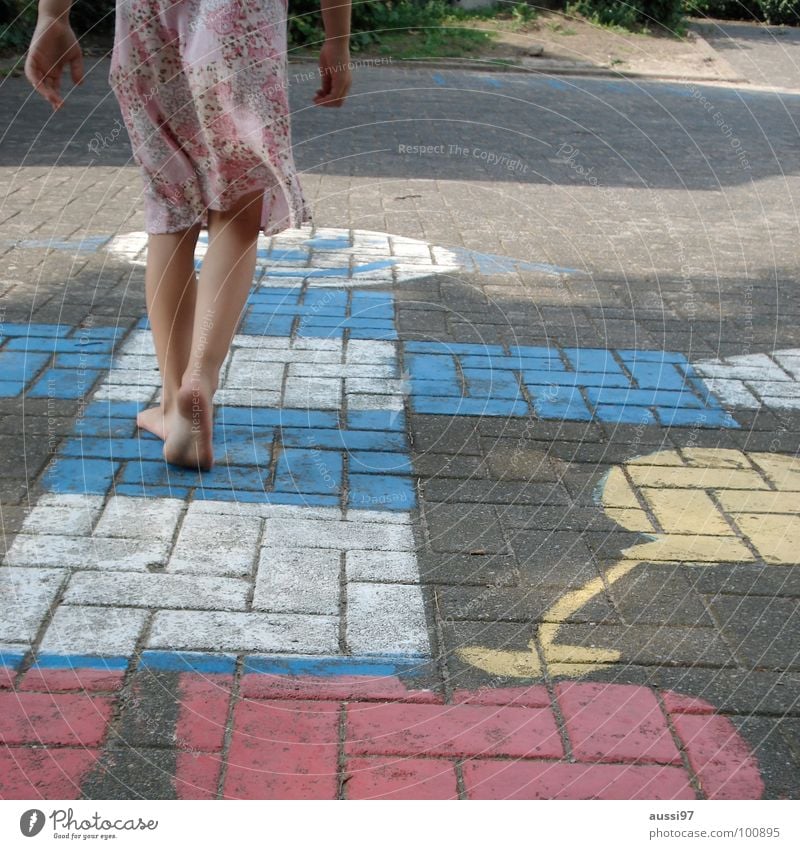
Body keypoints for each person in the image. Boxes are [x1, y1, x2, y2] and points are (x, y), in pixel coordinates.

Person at [24, 0, 353, 470]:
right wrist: (336, 40)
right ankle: (201, 377)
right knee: (237, 207)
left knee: (168, 209)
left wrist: (53, 15)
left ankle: (174, 408)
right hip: (240, 18)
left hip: (146, 15)